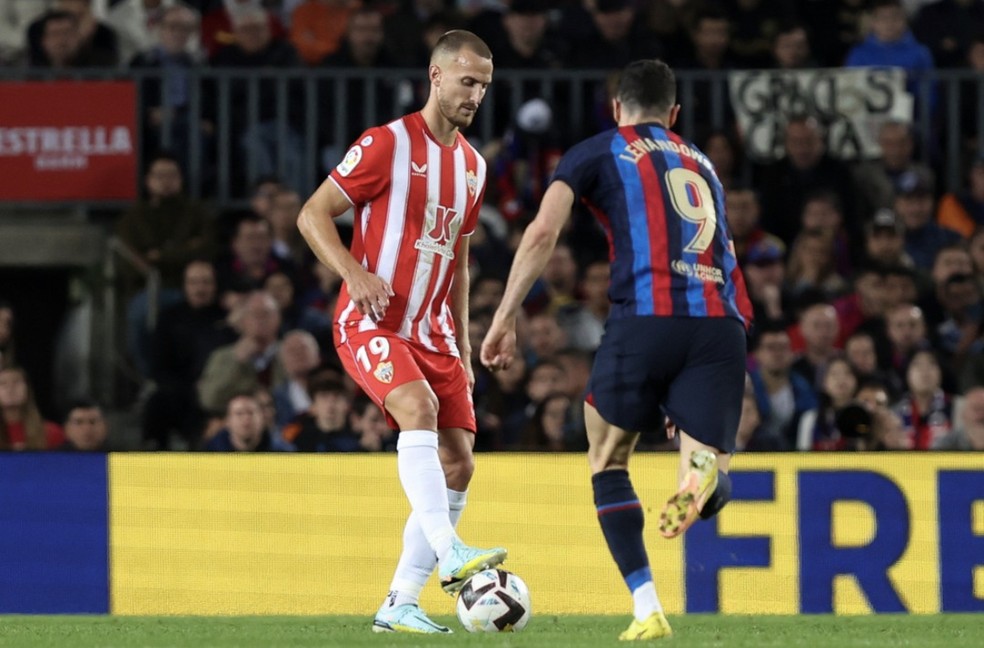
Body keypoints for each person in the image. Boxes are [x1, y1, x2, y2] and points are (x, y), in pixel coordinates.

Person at [480, 59, 752, 641]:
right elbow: (728, 258)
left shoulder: (596, 150)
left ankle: (647, 607)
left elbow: (542, 234)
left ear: (615, 107)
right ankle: (705, 476)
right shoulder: (704, 165)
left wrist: (505, 317)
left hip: (647, 317)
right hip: (719, 325)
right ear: (674, 115)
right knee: (707, 472)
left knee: (608, 457)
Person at [296, 30, 506, 635]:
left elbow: (459, 260)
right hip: (371, 320)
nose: (475, 95)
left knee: (460, 464)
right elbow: (311, 214)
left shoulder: (473, 166)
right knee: (416, 406)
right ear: (435, 77)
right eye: (467, 81)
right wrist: (354, 272)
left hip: (435, 332)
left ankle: (399, 603)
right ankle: (452, 553)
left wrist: (463, 344)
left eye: (484, 86)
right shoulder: (386, 143)